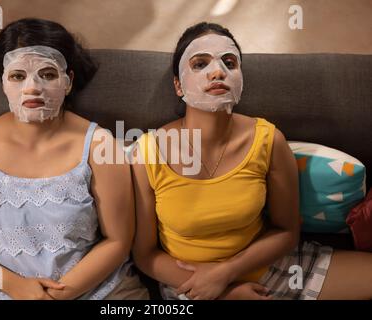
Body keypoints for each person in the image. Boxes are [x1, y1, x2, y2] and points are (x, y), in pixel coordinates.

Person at [131, 22, 372, 300]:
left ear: (240, 79)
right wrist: (225, 291)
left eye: (229, 63)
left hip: (273, 268)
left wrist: (227, 273)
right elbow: (145, 254)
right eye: (199, 64)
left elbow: (286, 232)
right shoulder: (148, 151)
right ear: (178, 85)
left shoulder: (269, 140)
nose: (218, 71)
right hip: (191, 286)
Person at [0, 18, 148, 300]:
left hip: (104, 293)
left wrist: (58, 295)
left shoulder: (99, 145)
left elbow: (118, 240)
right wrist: (12, 284)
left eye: (47, 74)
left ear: (68, 81)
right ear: (3, 82)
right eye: (17, 76)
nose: (32, 87)